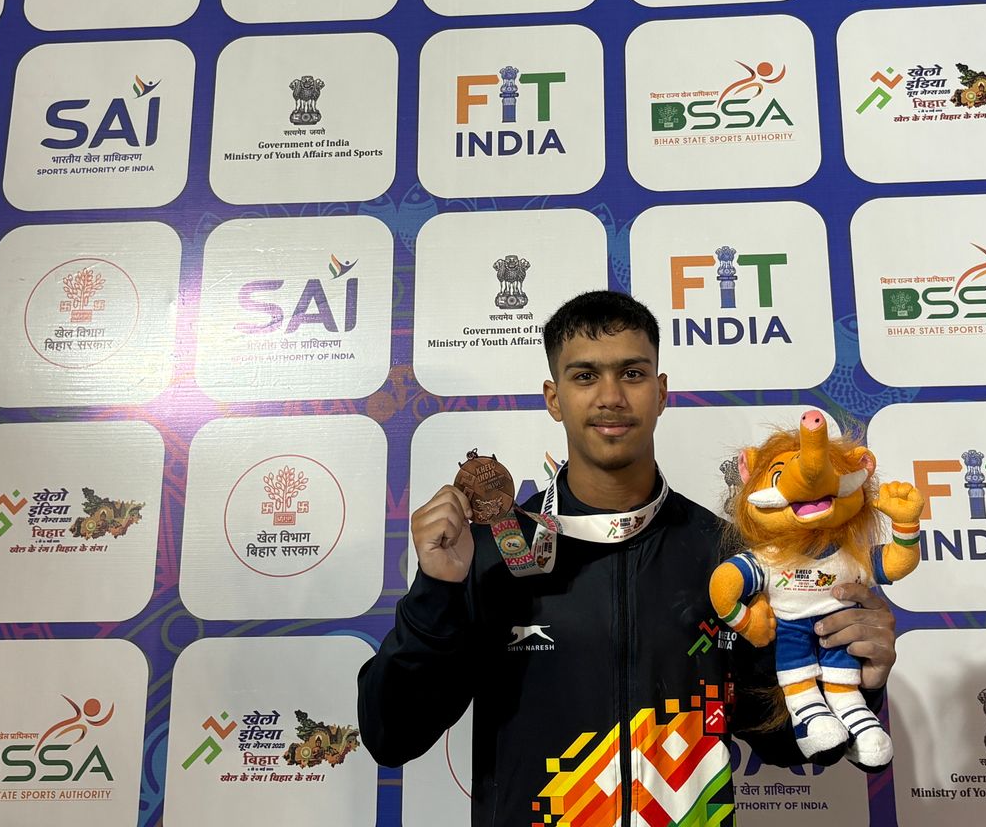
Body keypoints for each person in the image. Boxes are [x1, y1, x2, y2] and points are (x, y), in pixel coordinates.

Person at [357, 290, 900, 825]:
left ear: (661, 392)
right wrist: (436, 590)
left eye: (632, 374)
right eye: (585, 376)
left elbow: (779, 738)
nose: (611, 397)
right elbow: (391, 735)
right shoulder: (492, 551)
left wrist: (862, 677)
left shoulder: (729, 556)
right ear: (554, 398)